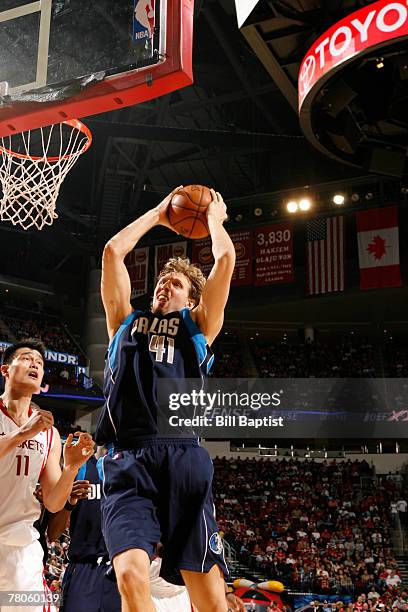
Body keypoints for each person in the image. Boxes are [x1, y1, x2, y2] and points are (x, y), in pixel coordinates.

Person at [95, 187, 236, 612]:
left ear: (191, 299)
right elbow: (112, 253)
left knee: (211, 602)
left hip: (183, 456)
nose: (164, 285)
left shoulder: (199, 326)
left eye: (175, 284)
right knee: (130, 578)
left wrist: (214, 217)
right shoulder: (124, 321)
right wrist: (158, 215)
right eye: (161, 280)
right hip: (127, 459)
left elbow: (225, 260)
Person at [0, 340, 94, 612]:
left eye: (39, 364)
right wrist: (22, 434)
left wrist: (71, 468)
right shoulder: (31, 428)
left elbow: (53, 503)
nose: (35, 365)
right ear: (6, 370)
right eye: (27, 359)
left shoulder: (49, 433)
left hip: (23, 551)